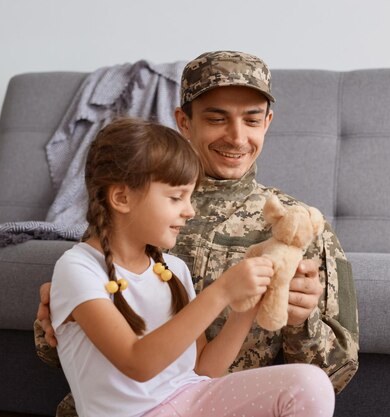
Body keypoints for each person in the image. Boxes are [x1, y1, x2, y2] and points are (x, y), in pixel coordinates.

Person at [37, 51, 359, 416]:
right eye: (217, 119)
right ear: (184, 122)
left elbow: (334, 372)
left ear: (267, 122)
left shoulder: (298, 227)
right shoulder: (134, 222)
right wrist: (51, 320)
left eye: (252, 120)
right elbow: (68, 349)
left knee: (307, 385)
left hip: (217, 400)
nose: (237, 137)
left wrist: (294, 318)